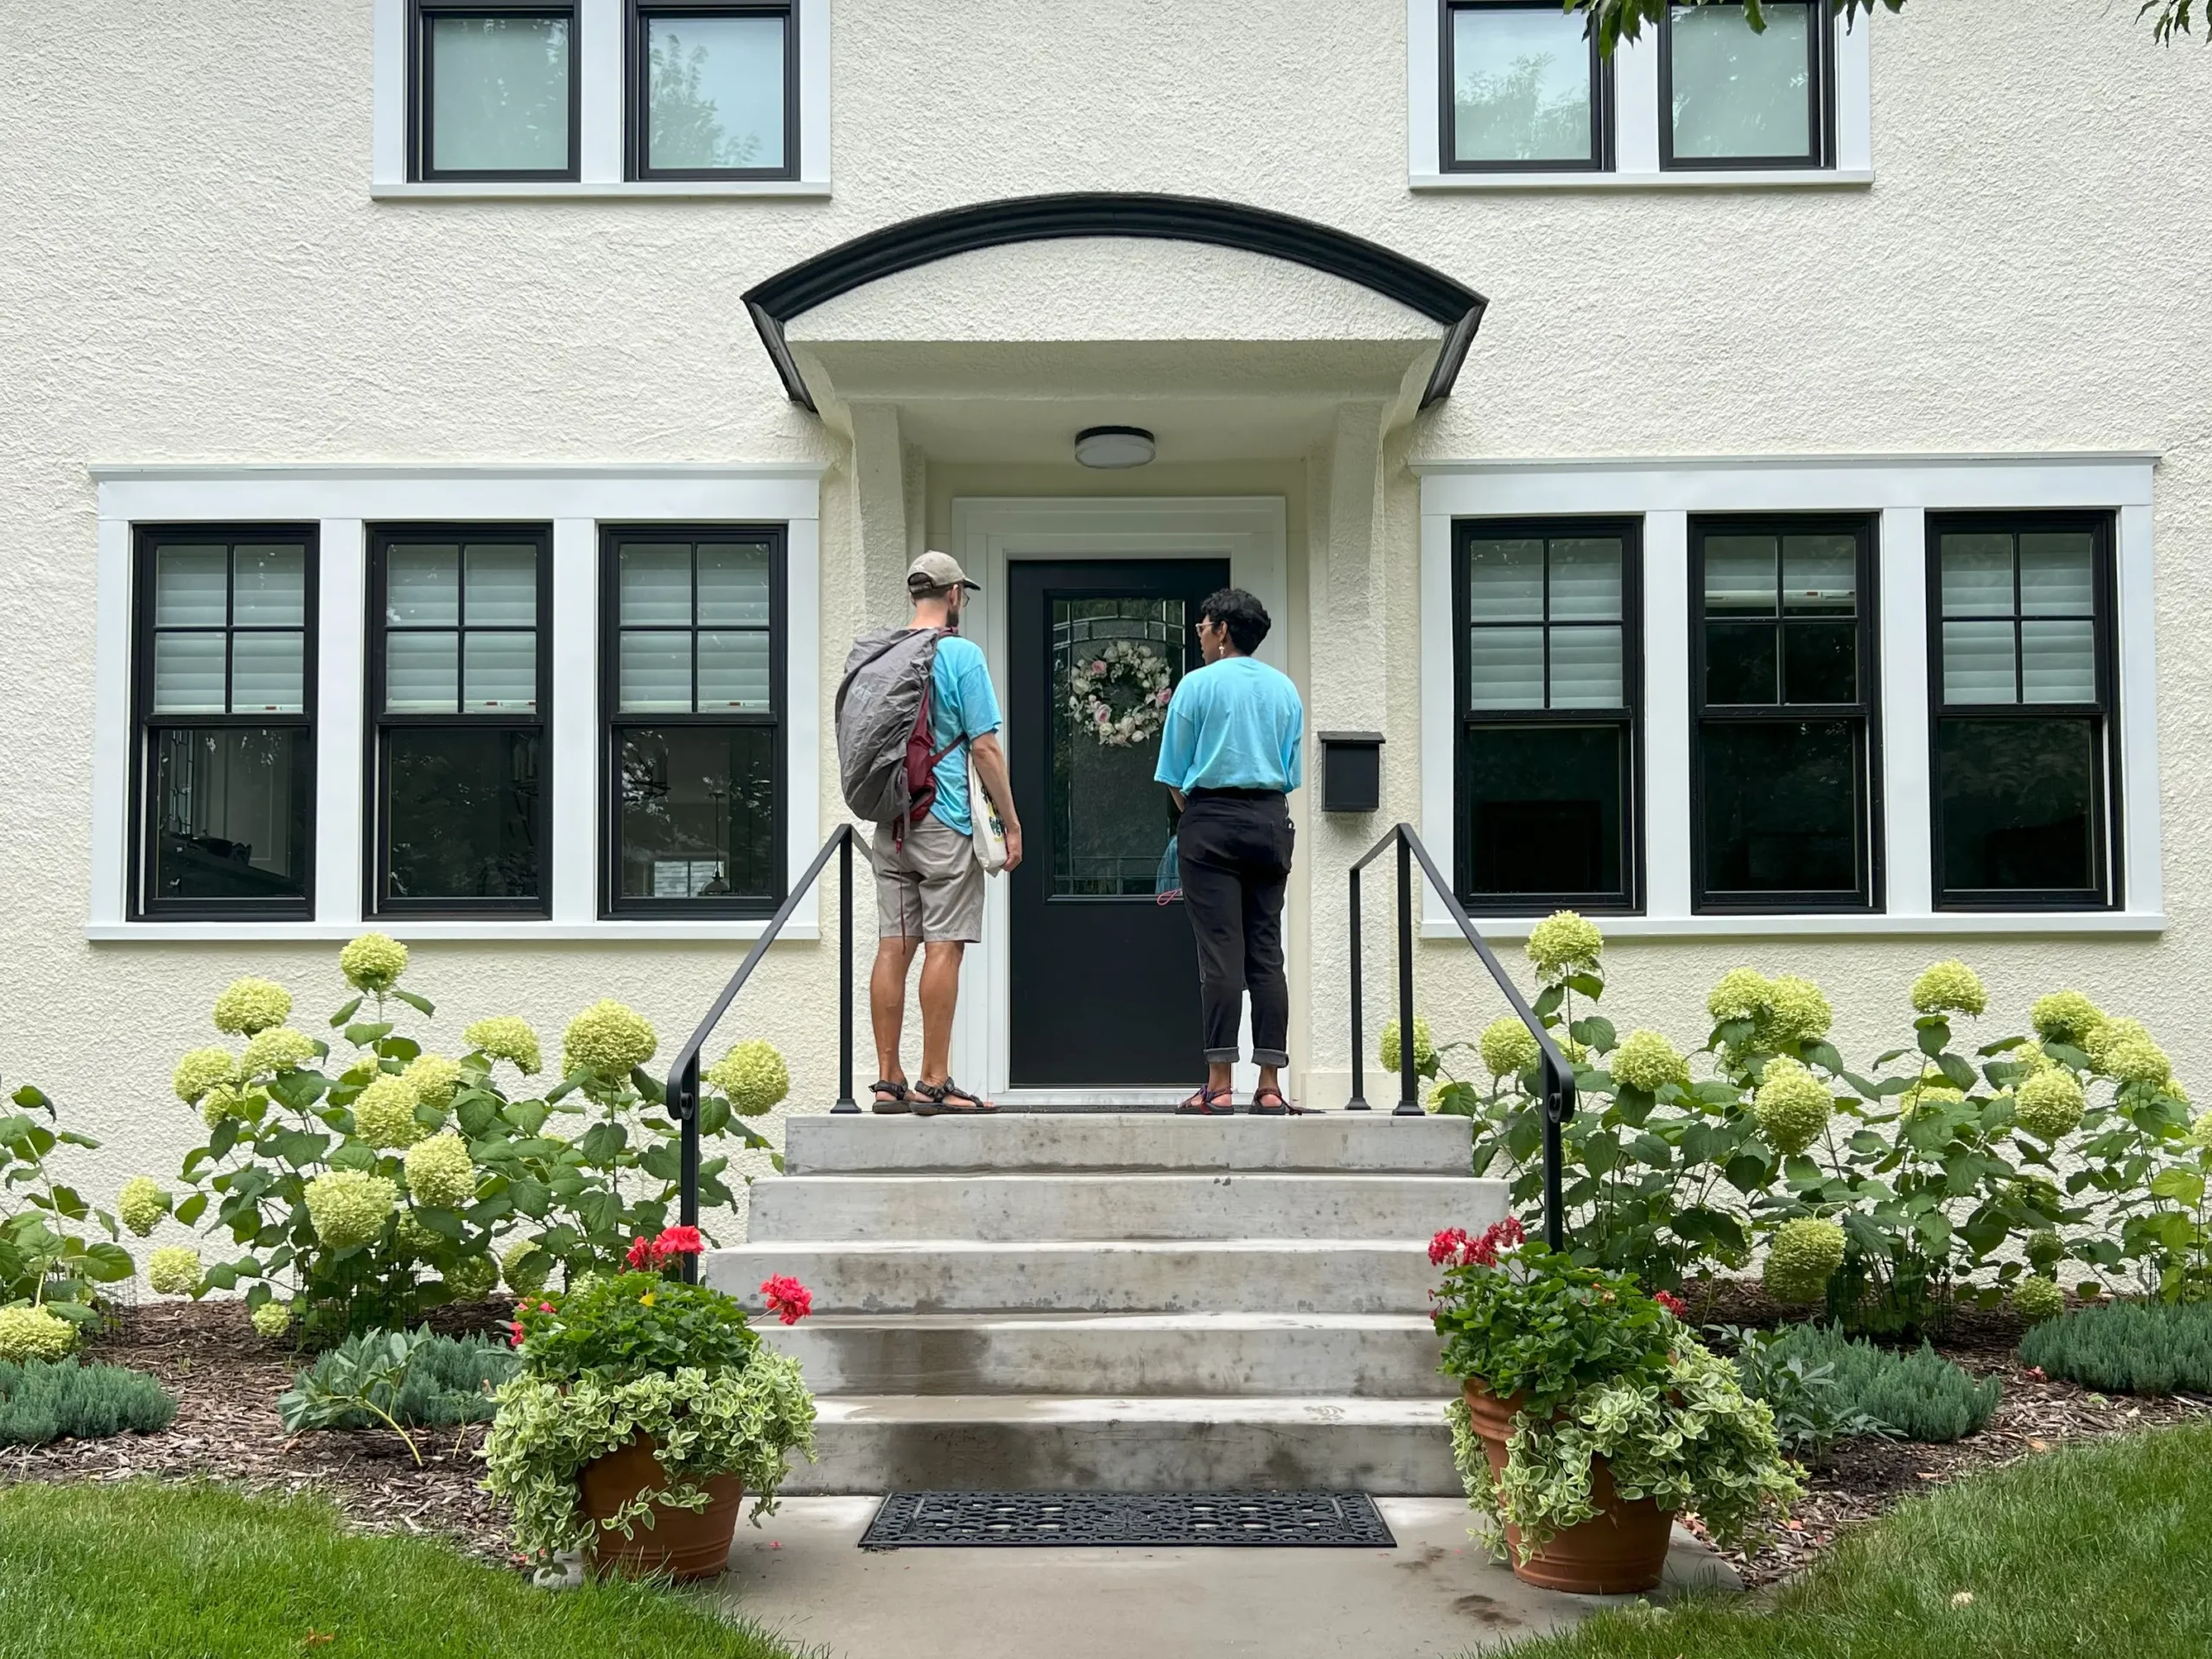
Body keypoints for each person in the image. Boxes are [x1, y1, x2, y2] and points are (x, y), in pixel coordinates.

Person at [868, 551, 1022, 1116]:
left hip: (892, 821)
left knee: (894, 946)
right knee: (944, 946)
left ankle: (888, 1081)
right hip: (946, 819)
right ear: (954, 594)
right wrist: (1011, 822)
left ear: (915, 594)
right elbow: (984, 748)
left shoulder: (884, 654)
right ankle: (933, 1082)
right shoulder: (961, 654)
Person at [1154, 588, 1305, 1116]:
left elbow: (1173, 774)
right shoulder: (1285, 690)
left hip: (1211, 820)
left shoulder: (1197, 685)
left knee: (1220, 954)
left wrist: (1198, 813)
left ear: (1222, 630)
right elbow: (1290, 772)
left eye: (1203, 624)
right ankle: (1270, 1085)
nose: (1199, 633)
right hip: (1269, 821)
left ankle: (1218, 1086)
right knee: (1266, 952)